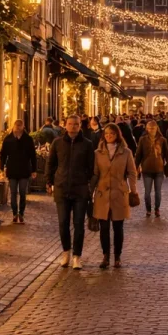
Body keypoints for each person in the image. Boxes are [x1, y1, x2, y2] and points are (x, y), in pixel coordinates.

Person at [46, 115, 95, 270]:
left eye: (76, 124)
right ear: (65, 125)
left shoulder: (87, 144)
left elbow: (92, 167)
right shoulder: (58, 143)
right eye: (70, 124)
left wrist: (87, 182)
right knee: (63, 223)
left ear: (80, 126)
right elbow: (51, 163)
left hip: (80, 189)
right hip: (61, 188)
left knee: (79, 224)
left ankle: (77, 256)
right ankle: (66, 252)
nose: (73, 127)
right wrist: (49, 181)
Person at [91, 123, 138, 269]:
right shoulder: (98, 153)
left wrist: (133, 190)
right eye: (106, 134)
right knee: (104, 228)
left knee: (118, 227)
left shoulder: (126, 152)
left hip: (119, 193)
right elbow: (95, 174)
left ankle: (117, 256)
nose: (109, 136)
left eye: (112, 134)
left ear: (117, 135)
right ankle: (105, 256)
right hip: (102, 194)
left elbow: (132, 172)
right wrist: (89, 192)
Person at [0, 120, 37, 224]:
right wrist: (1, 168)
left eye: (20, 126)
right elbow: (3, 155)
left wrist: (34, 170)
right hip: (12, 169)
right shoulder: (8, 139)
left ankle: (21, 213)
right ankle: (14, 213)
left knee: (22, 192)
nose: (18, 128)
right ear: (13, 126)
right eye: (16, 126)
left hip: (24, 170)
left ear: (23, 127)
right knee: (12, 193)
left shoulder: (28, 139)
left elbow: (32, 155)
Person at [135, 120, 168, 217]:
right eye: (149, 128)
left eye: (153, 128)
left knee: (158, 192)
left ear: (156, 128)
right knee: (147, 193)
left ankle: (157, 209)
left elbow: (167, 154)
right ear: (147, 129)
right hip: (146, 170)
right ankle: (148, 209)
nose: (151, 130)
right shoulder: (142, 140)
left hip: (159, 170)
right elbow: (138, 154)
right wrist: (135, 166)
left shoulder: (162, 140)